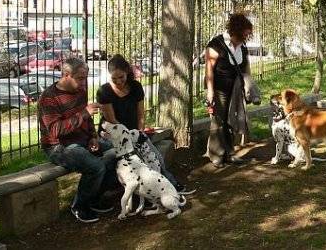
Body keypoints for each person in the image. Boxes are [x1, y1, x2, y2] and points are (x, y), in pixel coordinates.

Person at [96, 54, 193, 194]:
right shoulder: (104, 91)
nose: (118, 81)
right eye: (114, 78)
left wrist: (139, 132)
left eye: (121, 77)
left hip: (134, 131)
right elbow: (111, 120)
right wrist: (129, 137)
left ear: (127, 73)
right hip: (114, 134)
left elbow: (141, 114)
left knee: (155, 157)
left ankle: (170, 184)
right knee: (130, 158)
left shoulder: (135, 87)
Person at [38, 57, 117, 223]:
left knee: (115, 153)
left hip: (82, 140)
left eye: (86, 78)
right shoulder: (49, 98)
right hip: (58, 147)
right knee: (96, 166)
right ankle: (79, 206)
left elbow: (86, 121)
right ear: (66, 75)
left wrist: (93, 137)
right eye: (81, 78)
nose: (84, 82)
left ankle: (94, 198)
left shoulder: (80, 90)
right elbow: (55, 130)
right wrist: (84, 113)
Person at [204, 13, 253, 168]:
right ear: (237, 30)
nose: (248, 35)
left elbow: (246, 68)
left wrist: (248, 86)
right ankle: (216, 155)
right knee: (219, 120)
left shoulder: (243, 47)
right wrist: (210, 91)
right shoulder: (217, 44)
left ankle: (230, 153)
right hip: (219, 89)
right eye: (246, 32)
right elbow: (209, 69)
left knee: (232, 120)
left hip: (235, 90)